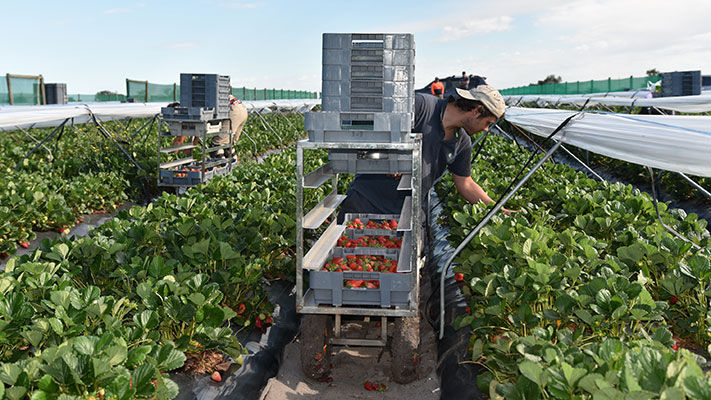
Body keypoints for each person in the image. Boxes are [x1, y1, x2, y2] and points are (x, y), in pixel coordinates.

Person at [337, 84, 515, 225]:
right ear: (476, 110)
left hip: (406, 217)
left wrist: (497, 210)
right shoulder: (421, 106)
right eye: (488, 123)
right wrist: (388, 155)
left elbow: (465, 183)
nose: (486, 129)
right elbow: (369, 128)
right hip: (365, 204)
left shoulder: (462, 142)